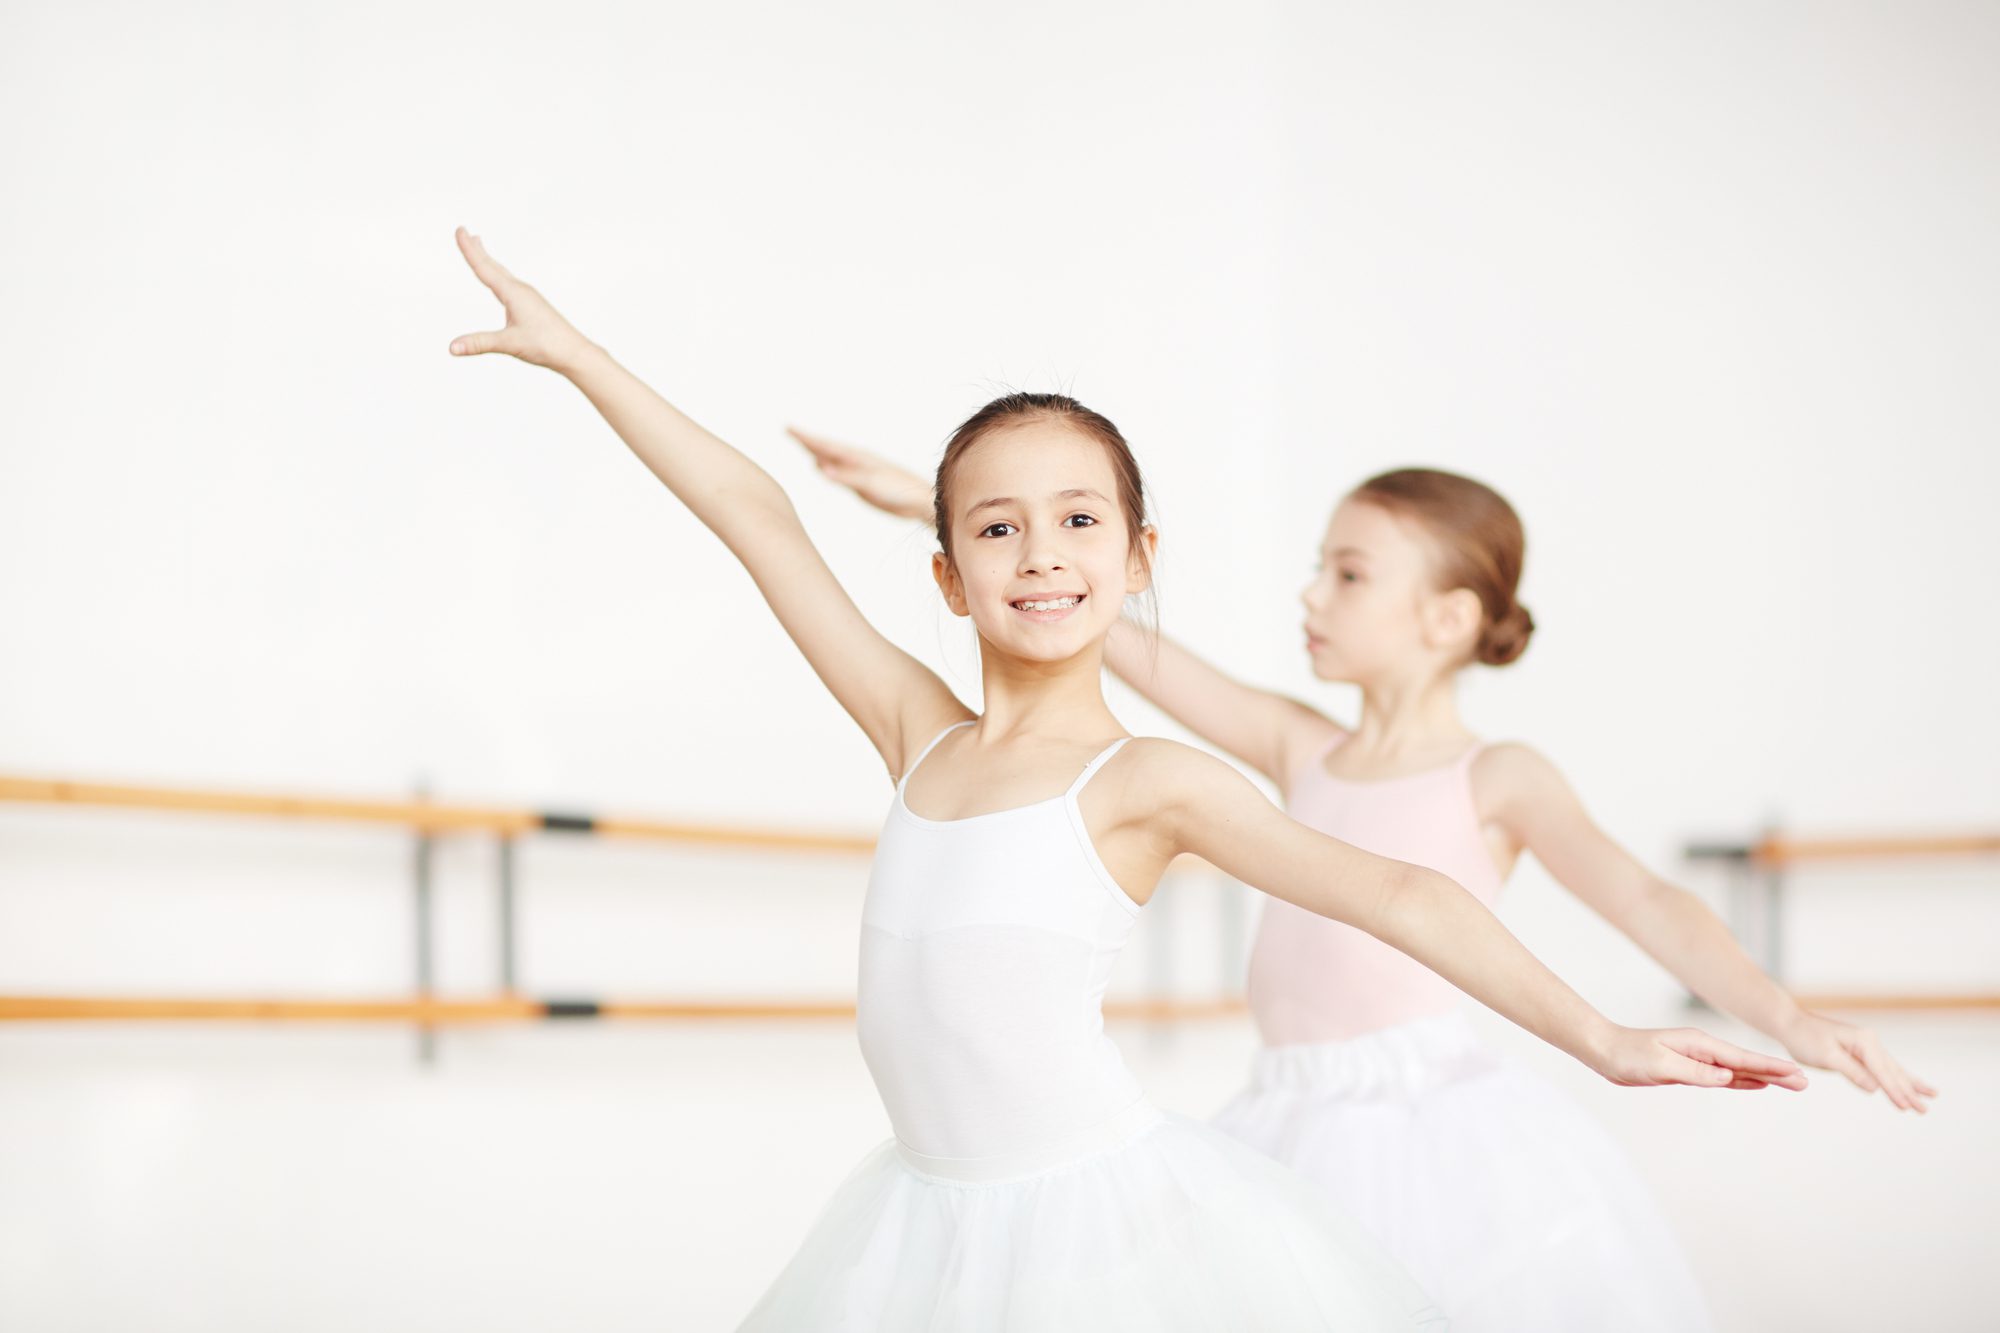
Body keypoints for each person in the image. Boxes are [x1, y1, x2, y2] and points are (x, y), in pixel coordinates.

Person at [449, 230, 1804, 1331]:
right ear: (947, 575)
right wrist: (580, 358)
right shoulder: (913, 727)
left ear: (1138, 556)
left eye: (1079, 521)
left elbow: (1398, 892)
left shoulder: (1150, 779)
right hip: (921, 1221)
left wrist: (1606, 1038)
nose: (1041, 554)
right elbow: (759, 515)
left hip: (1095, 1233)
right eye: (997, 527)